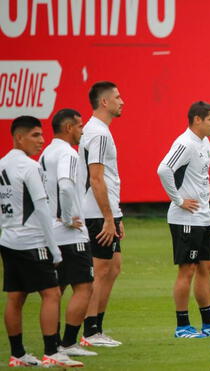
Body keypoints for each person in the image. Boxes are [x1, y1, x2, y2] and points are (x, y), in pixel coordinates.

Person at [0, 116, 82, 367]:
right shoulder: (30, 167)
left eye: (42, 135)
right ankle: (51, 351)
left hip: (8, 240)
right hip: (32, 242)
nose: (41, 141)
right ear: (19, 137)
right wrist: (54, 249)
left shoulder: (2, 164)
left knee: (15, 297)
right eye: (35, 135)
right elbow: (42, 208)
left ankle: (18, 354)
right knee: (51, 294)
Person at [157, 101, 210, 338]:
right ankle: (182, 326)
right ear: (197, 120)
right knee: (188, 270)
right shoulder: (185, 143)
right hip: (185, 218)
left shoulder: (205, 142)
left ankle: (209, 323)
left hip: (201, 218)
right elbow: (163, 169)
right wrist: (178, 199)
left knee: (206, 267)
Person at [39, 109, 97, 357]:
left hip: (50, 232)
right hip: (70, 234)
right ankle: (68, 343)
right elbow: (65, 185)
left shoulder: (46, 152)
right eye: (80, 126)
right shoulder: (68, 153)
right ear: (68, 128)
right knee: (84, 287)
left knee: (56, 290)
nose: (82, 130)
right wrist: (68, 217)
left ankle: (52, 346)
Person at [78, 81, 125, 347]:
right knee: (98, 270)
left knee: (113, 267)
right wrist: (108, 219)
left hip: (106, 211)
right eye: (118, 97)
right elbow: (96, 178)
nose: (123, 101)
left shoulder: (101, 130)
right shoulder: (97, 133)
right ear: (104, 102)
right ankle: (90, 332)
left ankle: (96, 328)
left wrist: (116, 215)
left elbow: (107, 177)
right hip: (95, 212)